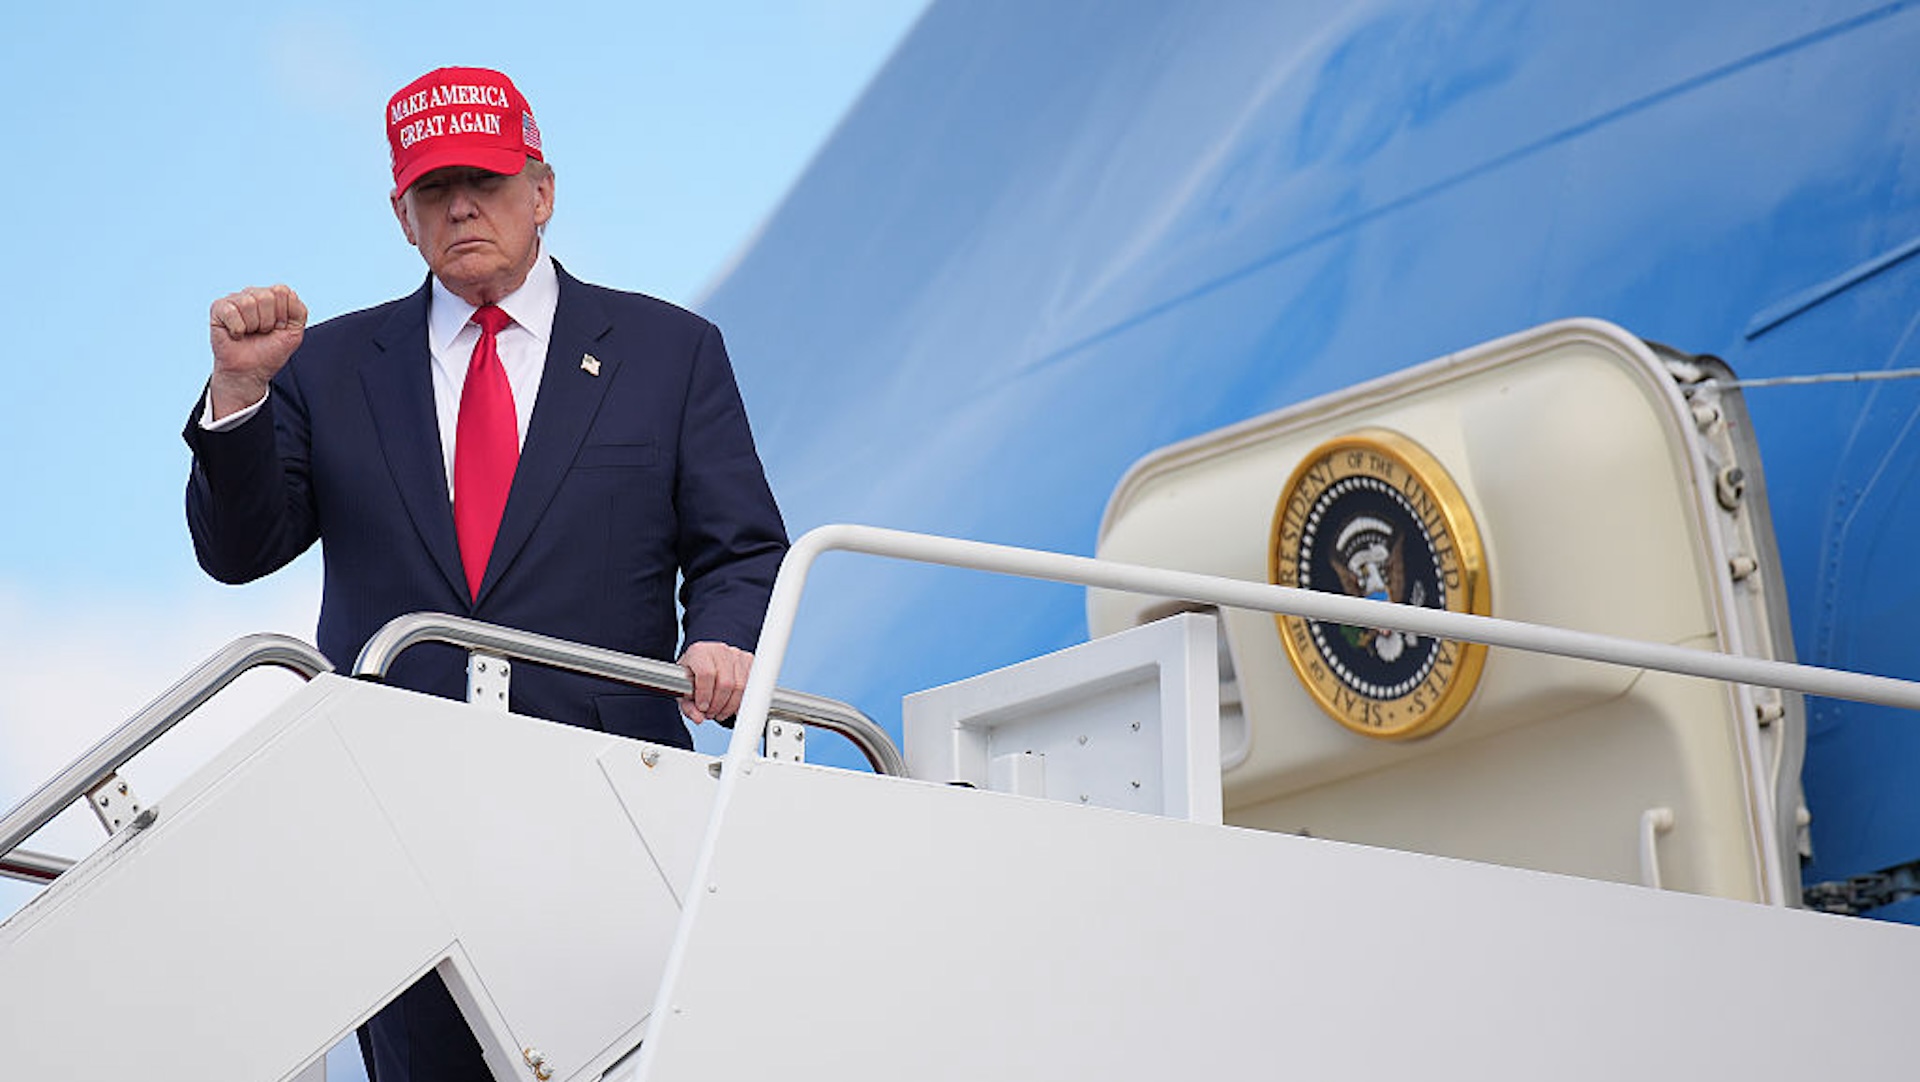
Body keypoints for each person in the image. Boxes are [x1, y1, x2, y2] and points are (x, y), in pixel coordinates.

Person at [183, 66, 788, 1082]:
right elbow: (239, 551)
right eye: (434, 189)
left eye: (487, 181)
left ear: (541, 191)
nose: (462, 206)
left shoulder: (669, 351)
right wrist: (241, 391)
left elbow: (739, 546)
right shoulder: (324, 367)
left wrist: (723, 635)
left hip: (610, 799)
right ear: (402, 216)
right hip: (402, 816)